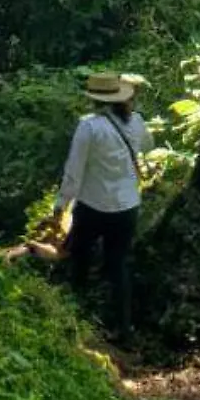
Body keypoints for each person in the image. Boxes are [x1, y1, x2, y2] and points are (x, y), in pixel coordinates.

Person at [51, 71, 151, 336]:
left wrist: (60, 206)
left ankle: (74, 321)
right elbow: (148, 146)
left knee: (79, 261)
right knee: (118, 265)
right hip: (128, 207)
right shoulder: (137, 122)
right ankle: (124, 328)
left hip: (92, 207)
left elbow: (74, 171)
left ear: (95, 99)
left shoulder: (89, 126)